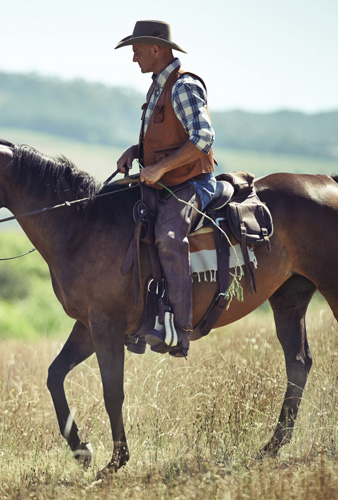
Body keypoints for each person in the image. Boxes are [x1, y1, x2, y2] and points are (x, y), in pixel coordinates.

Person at [114, 20, 217, 358]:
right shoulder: (157, 86)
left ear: (156, 50)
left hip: (192, 183)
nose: (133, 59)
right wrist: (137, 152)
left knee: (168, 238)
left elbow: (203, 138)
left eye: (137, 51)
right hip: (166, 181)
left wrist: (158, 168)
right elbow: (165, 138)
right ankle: (141, 318)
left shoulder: (182, 85)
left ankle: (181, 330)